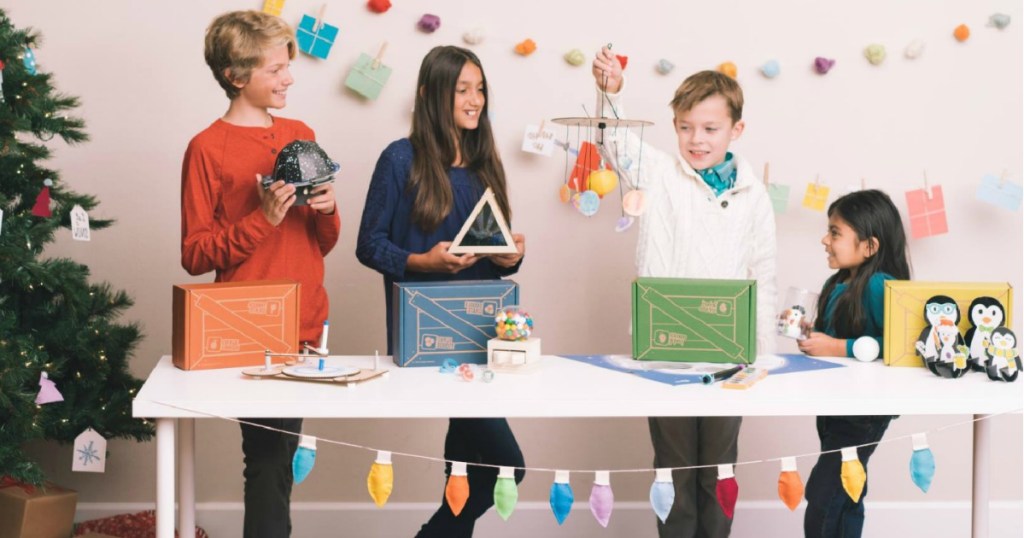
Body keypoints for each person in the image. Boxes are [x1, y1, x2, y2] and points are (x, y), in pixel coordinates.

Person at [591, 48, 777, 537]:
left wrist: (763, 355)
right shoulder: (657, 172)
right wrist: (610, 93)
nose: (696, 139)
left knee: (719, 471)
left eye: (710, 129)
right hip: (665, 357)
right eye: (685, 127)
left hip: (730, 360)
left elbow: (765, 271)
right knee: (672, 469)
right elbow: (614, 142)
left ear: (737, 130)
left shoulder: (754, 195)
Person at [355, 45, 526, 538]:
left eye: (480, 89)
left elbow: (490, 243)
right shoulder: (400, 158)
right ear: (431, 95)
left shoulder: (482, 160)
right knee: (505, 467)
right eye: (462, 90)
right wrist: (420, 261)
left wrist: (510, 254)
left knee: (466, 469)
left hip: (482, 331)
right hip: (426, 333)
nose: (475, 100)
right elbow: (368, 245)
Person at [180, 10, 339, 537]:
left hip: (307, 323)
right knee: (268, 462)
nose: (289, 77)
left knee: (279, 462)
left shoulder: (301, 134)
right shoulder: (207, 147)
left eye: (287, 66)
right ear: (236, 75)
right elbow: (196, 254)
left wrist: (327, 209)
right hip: (249, 327)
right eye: (275, 69)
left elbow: (324, 243)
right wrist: (262, 219)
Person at [798, 189, 911, 537]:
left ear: (870, 246)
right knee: (848, 489)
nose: (825, 239)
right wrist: (813, 332)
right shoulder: (838, 283)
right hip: (836, 405)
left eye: (835, 232)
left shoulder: (880, 285)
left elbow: (896, 345)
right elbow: (837, 335)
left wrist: (836, 346)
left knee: (823, 494)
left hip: (864, 410)